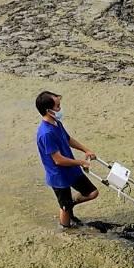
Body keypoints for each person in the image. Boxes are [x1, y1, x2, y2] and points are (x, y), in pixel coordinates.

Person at [35, 91, 99, 228]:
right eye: (57, 106)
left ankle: (70, 203)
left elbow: (68, 139)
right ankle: (65, 229)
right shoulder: (46, 133)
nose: (60, 109)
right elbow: (58, 160)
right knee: (64, 208)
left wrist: (86, 150)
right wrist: (81, 162)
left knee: (92, 193)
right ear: (48, 110)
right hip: (59, 176)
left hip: (72, 170)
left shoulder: (57, 123)